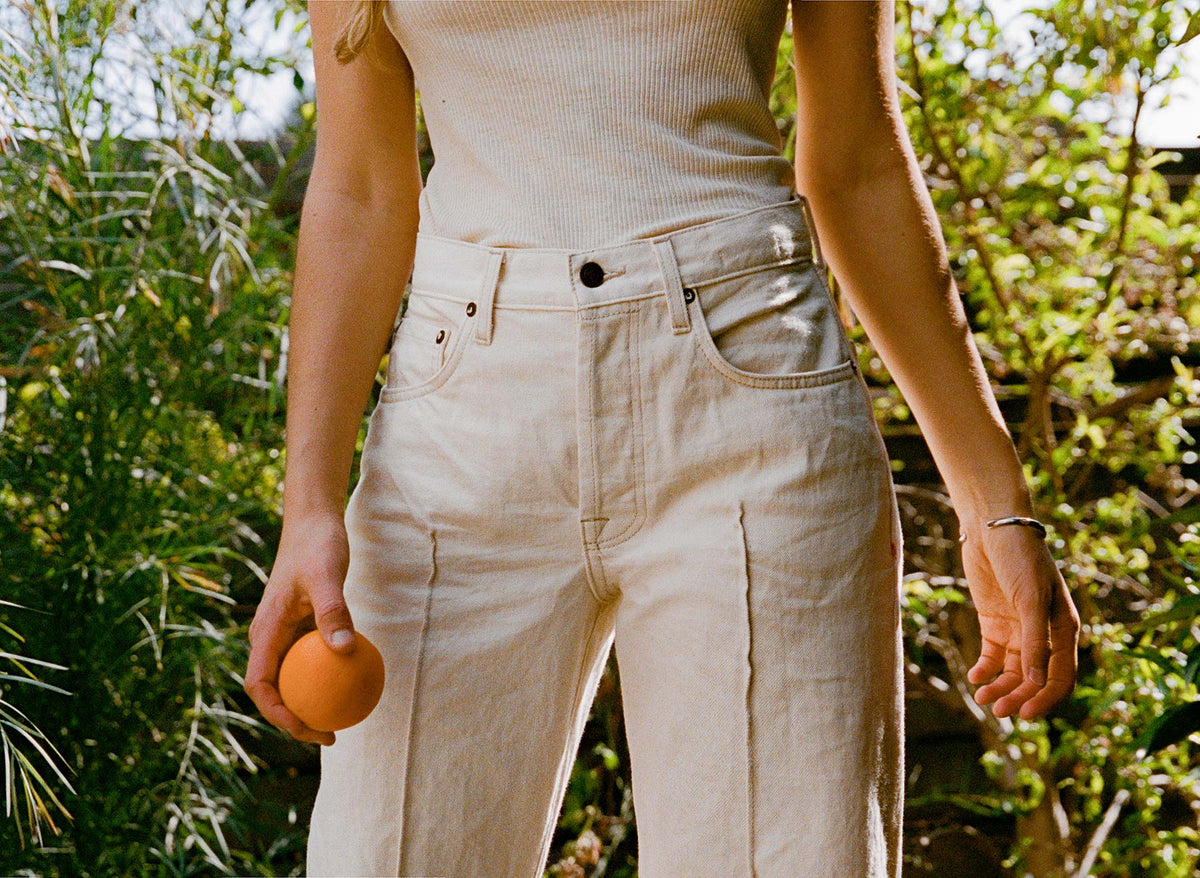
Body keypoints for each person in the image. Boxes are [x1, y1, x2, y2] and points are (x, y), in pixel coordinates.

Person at [244, 1, 1082, 876]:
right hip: (461, 426)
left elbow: (860, 165)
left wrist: (994, 504)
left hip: (751, 403)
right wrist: (309, 510)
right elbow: (360, 188)